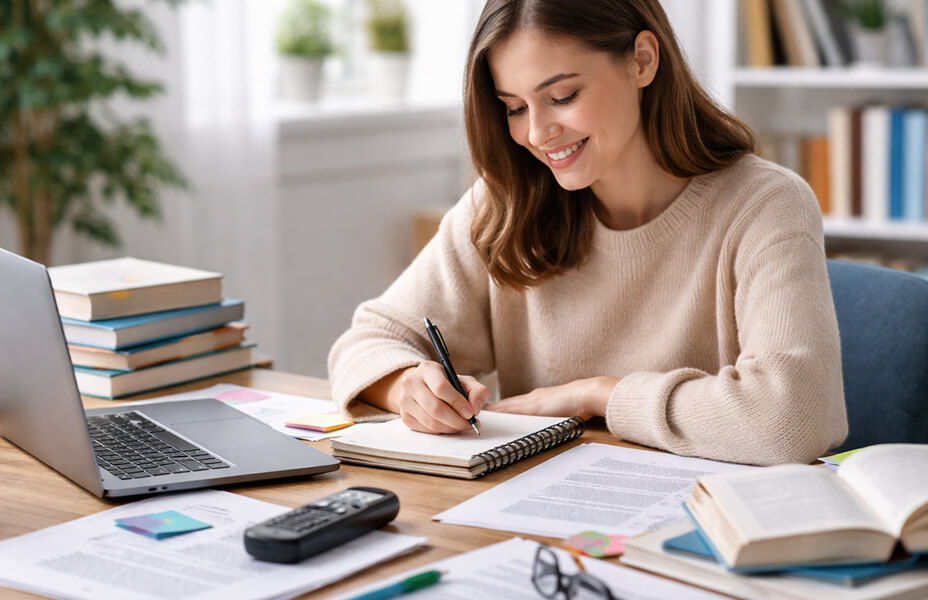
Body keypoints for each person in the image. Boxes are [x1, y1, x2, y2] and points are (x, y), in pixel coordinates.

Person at [328, 0, 847, 466]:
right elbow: (368, 341)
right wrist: (406, 388)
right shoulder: (507, 203)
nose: (536, 133)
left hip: (701, 531)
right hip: (537, 523)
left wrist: (599, 396)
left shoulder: (764, 204)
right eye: (514, 107)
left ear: (642, 60)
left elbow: (792, 419)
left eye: (563, 95)